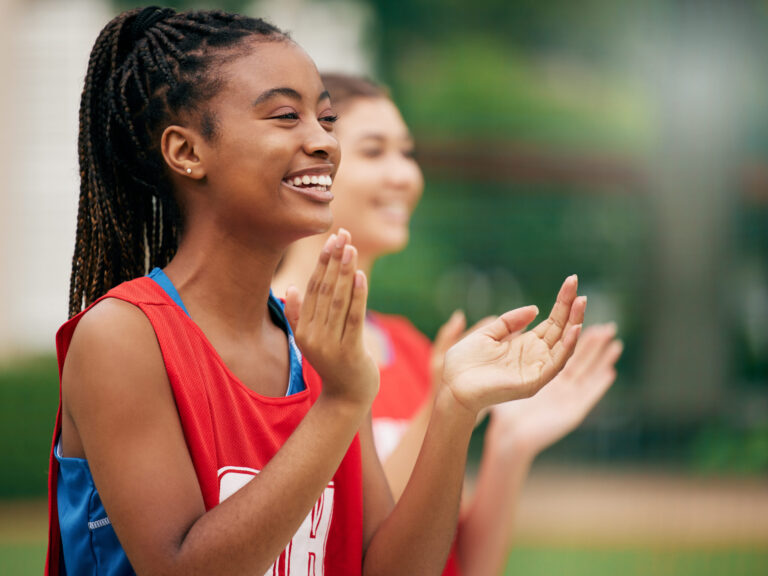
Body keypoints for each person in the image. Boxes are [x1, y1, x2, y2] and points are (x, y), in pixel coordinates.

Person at [46, 7, 587, 576]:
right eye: (285, 116)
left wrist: (453, 406)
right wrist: (342, 401)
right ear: (187, 152)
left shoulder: (315, 341)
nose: (324, 142)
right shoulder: (125, 335)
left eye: (326, 119)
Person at [273, 73, 623, 576]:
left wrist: (509, 444)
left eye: (407, 153)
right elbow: (354, 551)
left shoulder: (413, 349)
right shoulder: (259, 339)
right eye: (374, 152)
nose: (405, 176)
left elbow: (455, 564)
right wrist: (443, 405)